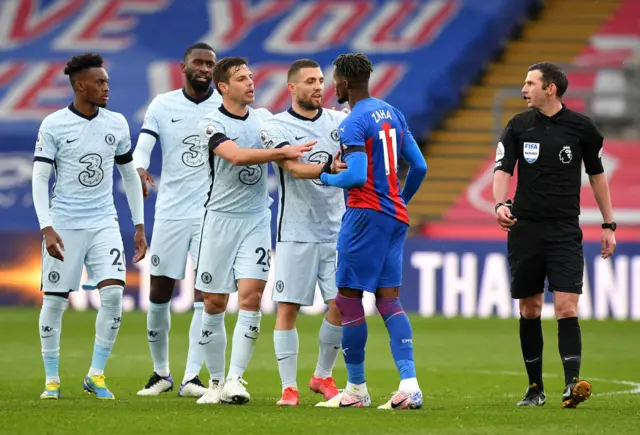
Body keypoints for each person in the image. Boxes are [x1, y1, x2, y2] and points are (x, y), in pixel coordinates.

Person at [493, 61, 616, 408]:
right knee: (530, 308)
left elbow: (597, 176)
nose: (523, 89)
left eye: (530, 83)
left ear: (551, 88)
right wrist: (499, 203)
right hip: (525, 228)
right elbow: (502, 169)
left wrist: (608, 224)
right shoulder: (518, 126)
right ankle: (535, 388)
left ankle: (572, 384)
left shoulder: (582, 129)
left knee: (566, 305)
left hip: (564, 229)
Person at [193, 57, 316, 405]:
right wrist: (278, 151)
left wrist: (320, 165)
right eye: (242, 79)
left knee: (250, 297)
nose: (251, 83)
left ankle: (235, 379)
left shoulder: (263, 119)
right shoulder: (210, 122)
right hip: (218, 220)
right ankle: (215, 382)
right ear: (223, 87)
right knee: (215, 302)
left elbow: (285, 155)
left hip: (256, 219)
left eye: (251, 77)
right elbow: (234, 156)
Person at [314, 53, 428, 410]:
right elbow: (419, 166)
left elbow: (356, 176)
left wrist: (324, 175)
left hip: (364, 215)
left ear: (345, 83)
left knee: (348, 300)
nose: (333, 86)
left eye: (334, 80)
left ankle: (356, 389)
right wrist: (400, 200)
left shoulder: (353, 122)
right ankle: (409, 386)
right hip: (395, 217)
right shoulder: (392, 112)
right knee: (388, 299)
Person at [32, 53, 147, 400]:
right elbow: (40, 177)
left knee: (113, 295)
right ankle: (52, 379)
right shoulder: (53, 124)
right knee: (54, 302)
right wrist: (46, 227)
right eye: (100, 82)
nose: (107, 87)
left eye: (108, 82)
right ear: (80, 85)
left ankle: (95, 374)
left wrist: (139, 226)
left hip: (103, 222)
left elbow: (128, 175)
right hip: (64, 222)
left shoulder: (116, 123)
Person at [133, 42, 221, 398]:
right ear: (183, 67)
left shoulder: (225, 105)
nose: (204, 68)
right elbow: (144, 144)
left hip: (210, 212)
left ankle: (191, 378)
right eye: (197, 62)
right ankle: (161, 373)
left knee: (205, 294)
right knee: (159, 293)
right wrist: (139, 166)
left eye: (210, 64)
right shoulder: (162, 104)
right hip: (170, 211)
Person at [259, 59, 348, 406]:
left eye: (321, 80)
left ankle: (322, 375)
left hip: (337, 229)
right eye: (310, 81)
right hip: (295, 232)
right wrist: (328, 169)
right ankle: (288, 387)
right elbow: (293, 168)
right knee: (288, 309)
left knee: (342, 304)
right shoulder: (276, 126)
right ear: (292, 88)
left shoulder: (339, 122)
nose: (318, 86)